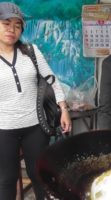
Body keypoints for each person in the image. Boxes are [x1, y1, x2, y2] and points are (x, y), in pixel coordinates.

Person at [0, 2, 71, 200]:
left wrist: (63, 108)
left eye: (17, 25)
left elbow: (52, 79)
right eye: (6, 23)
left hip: (35, 126)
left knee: (39, 175)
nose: (12, 29)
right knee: (6, 179)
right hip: (3, 129)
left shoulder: (30, 51)